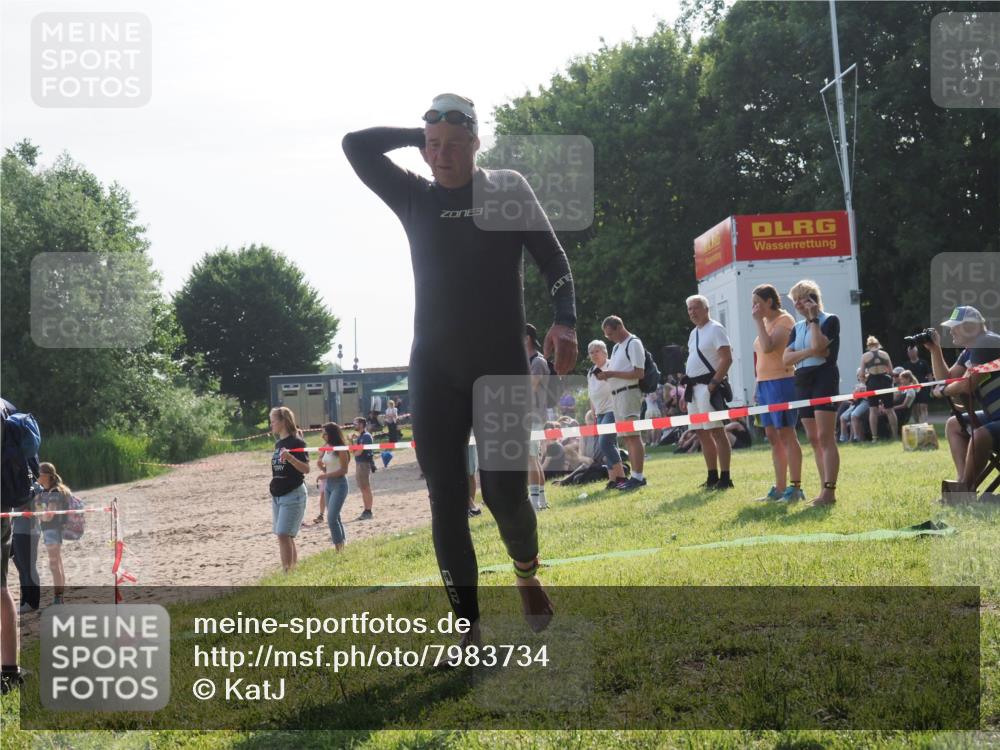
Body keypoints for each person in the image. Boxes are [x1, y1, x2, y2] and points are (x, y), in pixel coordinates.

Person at [343, 92, 577, 641]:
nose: (441, 155)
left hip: (499, 369)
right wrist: (418, 136)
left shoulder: (507, 190)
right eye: (433, 146)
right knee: (446, 501)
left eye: (453, 144)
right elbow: (355, 145)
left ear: (475, 143)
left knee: (503, 495)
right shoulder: (413, 194)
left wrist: (565, 321)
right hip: (434, 371)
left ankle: (526, 573)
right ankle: (467, 629)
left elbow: (554, 260)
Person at [922, 307, 1000, 499]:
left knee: (980, 435)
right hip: (995, 417)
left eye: (955, 327)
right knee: (954, 425)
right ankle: (963, 482)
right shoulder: (969, 351)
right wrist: (935, 350)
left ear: (970, 327)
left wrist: (944, 391)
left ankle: (964, 490)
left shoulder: (986, 343)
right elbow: (947, 378)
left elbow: (967, 384)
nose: (951, 331)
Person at [782, 280, 841, 506]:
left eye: (802, 299)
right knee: (814, 438)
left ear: (813, 299)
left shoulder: (830, 320)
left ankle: (829, 492)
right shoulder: (797, 327)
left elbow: (820, 347)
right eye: (795, 300)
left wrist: (814, 318)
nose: (797, 304)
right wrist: (809, 352)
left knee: (825, 436)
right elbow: (786, 359)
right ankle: (822, 489)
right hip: (803, 380)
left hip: (823, 377)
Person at [750, 283, 804, 502]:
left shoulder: (784, 320)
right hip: (764, 384)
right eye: (753, 304)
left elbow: (769, 347)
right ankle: (780, 488)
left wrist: (757, 322)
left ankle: (795, 487)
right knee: (773, 436)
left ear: (769, 301)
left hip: (782, 382)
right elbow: (761, 358)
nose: (754, 308)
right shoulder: (764, 322)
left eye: (757, 303)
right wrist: (757, 385)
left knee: (786, 434)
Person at [682, 296, 734, 490]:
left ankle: (725, 477)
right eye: (689, 309)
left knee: (717, 431)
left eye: (696, 308)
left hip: (707, 387)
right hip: (694, 388)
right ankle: (712, 476)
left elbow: (726, 358)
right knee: (701, 432)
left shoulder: (716, 329)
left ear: (706, 309)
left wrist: (713, 384)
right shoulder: (693, 333)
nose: (692, 312)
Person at [596, 316, 648, 491]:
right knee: (627, 437)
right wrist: (607, 375)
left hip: (629, 393)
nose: (609, 338)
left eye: (610, 334)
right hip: (617, 396)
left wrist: (612, 374)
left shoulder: (633, 343)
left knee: (633, 436)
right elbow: (620, 371)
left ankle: (638, 477)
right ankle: (634, 476)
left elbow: (639, 373)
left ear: (619, 327)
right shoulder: (617, 347)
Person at [268, 406, 309, 572]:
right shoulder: (278, 444)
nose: (271, 425)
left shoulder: (297, 442)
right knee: (284, 535)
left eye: (273, 421)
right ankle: (292, 571)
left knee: (283, 534)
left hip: (293, 493)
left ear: (283, 422)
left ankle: (287, 573)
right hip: (278, 494)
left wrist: (291, 458)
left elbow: (306, 468)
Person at [586, 339, 627, 489]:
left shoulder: (611, 366)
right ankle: (612, 479)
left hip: (612, 409)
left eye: (596, 351)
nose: (594, 354)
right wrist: (593, 411)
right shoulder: (591, 372)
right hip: (600, 412)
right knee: (609, 445)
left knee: (605, 443)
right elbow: (591, 393)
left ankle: (622, 477)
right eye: (591, 352)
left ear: (604, 352)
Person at [35, 462, 71, 606]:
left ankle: (58, 598)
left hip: (52, 530)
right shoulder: (46, 491)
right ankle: (60, 597)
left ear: (46, 476)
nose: (36, 476)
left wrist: (40, 512)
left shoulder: (55, 492)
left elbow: (48, 516)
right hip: (50, 530)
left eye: (38, 474)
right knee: (57, 563)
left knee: (54, 565)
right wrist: (39, 506)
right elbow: (43, 512)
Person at [525, 323, 551, 511]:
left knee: (530, 458)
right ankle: (541, 501)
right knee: (533, 457)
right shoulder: (530, 360)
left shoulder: (537, 362)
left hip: (533, 416)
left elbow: (530, 388)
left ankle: (535, 504)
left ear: (527, 338)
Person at [317, 422, 350, 551]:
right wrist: (321, 466)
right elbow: (328, 468)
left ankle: (339, 548)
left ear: (332, 434)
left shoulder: (341, 449)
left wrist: (325, 475)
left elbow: (344, 470)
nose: (322, 436)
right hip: (329, 485)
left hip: (340, 484)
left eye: (325, 433)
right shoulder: (327, 447)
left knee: (331, 518)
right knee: (336, 517)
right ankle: (342, 545)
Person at [860, 335, 898, 441]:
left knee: (873, 410)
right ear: (878, 344)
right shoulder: (884, 354)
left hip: (872, 382)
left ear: (868, 346)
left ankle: (874, 437)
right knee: (890, 410)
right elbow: (891, 371)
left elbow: (862, 374)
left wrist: (865, 381)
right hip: (885, 381)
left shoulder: (865, 356)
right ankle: (895, 436)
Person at [10, 481, 40, 614]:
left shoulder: (32, 485)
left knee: (28, 568)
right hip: (16, 530)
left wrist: (33, 509)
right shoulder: (16, 483)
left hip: (27, 531)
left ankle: (32, 602)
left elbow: (42, 504)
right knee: (22, 568)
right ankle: (26, 600)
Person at [352, 417, 376, 520]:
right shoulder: (360, 436)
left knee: (366, 488)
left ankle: (368, 511)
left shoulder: (366, 436)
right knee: (363, 488)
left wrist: (354, 448)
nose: (354, 425)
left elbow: (358, 452)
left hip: (364, 463)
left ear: (361, 424)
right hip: (359, 463)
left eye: (355, 423)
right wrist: (352, 442)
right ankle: (366, 509)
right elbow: (355, 451)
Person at [904, 345, 933, 424]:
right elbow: (904, 378)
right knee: (914, 408)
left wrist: (931, 387)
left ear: (916, 352)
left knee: (923, 406)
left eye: (912, 352)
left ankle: (924, 424)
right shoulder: (906, 365)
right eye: (909, 352)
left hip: (923, 387)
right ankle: (917, 424)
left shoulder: (923, 362)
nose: (911, 354)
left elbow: (929, 375)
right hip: (912, 389)